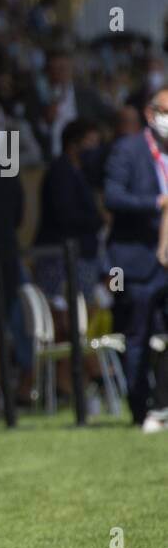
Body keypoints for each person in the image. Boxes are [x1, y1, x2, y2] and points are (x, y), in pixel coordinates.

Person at [103, 87, 168, 425]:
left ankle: (163, 402)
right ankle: (141, 408)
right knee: (138, 337)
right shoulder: (127, 150)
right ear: (150, 113)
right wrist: (156, 202)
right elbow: (112, 197)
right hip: (136, 261)